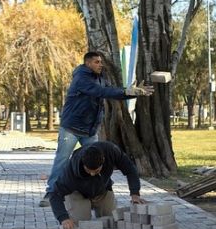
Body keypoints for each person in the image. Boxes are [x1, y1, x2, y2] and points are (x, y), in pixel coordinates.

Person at [39, 51, 153, 207]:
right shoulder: (81, 78)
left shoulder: (99, 78)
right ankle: (51, 194)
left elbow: (110, 91)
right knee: (62, 161)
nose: (101, 64)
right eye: (96, 62)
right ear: (88, 64)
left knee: (96, 160)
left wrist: (131, 93)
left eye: (101, 61)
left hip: (90, 129)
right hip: (71, 127)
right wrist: (126, 91)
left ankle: (101, 193)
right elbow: (100, 92)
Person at [49, 141, 146, 229]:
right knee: (80, 224)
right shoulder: (70, 172)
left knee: (112, 221)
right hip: (78, 194)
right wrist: (63, 218)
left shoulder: (111, 151)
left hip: (102, 191)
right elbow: (54, 194)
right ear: (83, 163)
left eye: (96, 171)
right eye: (88, 170)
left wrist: (135, 193)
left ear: (103, 161)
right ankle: (78, 208)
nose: (92, 174)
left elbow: (130, 169)